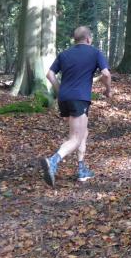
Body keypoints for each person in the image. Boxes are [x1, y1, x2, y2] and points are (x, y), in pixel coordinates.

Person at [41, 26, 112, 187]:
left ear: (75, 39)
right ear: (88, 39)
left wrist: (59, 90)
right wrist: (108, 90)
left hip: (64, 99)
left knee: (83, 132)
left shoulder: (64, 54)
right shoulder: (95, 53)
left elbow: (50, 74)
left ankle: (81, 170)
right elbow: (106, 74)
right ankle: (53, 161)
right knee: (75, 138)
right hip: (79, 99)